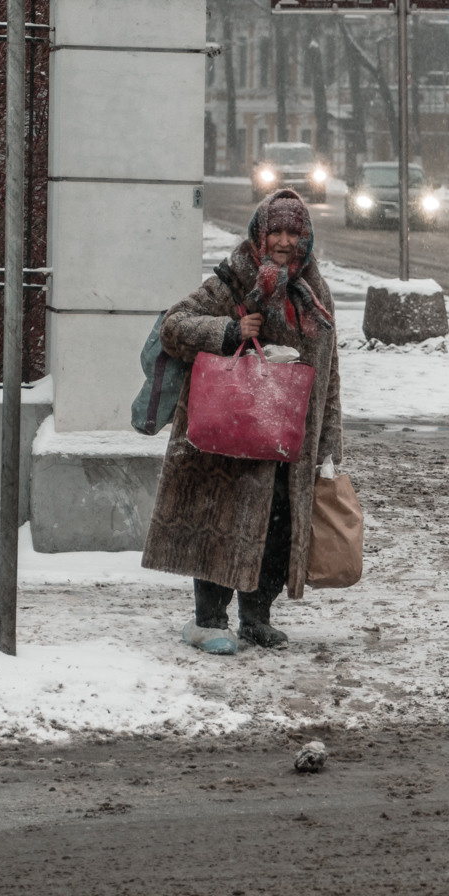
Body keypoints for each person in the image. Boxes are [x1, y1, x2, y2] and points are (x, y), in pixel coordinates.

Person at [142, 189, 343, 653]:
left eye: (294, 232)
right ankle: (208, 621)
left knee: (277, 530)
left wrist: (330, 446)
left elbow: (329, 374)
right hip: (229, 433)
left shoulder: (315, 292)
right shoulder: (235, 277)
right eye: (276, 230)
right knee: (223, 525)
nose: (285, 241)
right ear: (260, 232)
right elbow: (175, 326)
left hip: (287, 437)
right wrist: (230, 331)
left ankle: (257, 616)